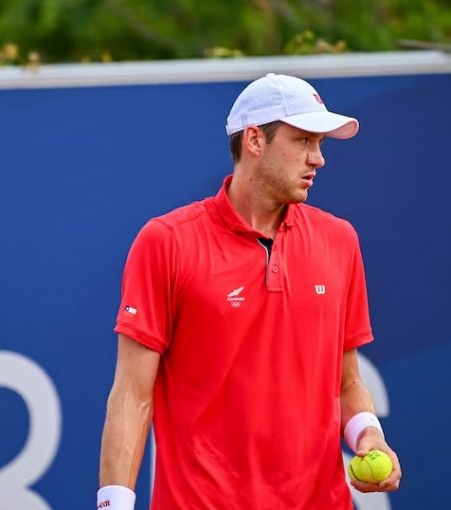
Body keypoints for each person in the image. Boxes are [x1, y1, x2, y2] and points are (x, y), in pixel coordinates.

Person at [97, 74, 402, 509]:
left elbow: (346, 381)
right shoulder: (166, 242)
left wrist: (368, 432)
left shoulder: (340, 241)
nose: (317, 159)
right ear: (255, 140)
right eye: (302, 141)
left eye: (319, 144)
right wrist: (113, 504)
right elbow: (132, 397)